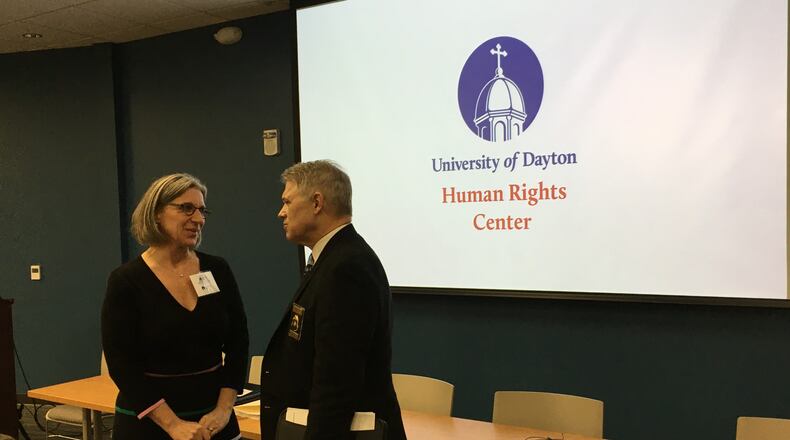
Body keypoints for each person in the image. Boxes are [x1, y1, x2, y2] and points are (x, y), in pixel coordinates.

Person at [260, 160, 407, 440]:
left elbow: (337, 380)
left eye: (287, 202)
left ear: (317, 202)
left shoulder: (346, 267)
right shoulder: (333, 259)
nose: (281, 212)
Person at [102, 173, 249, 440]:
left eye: (202, 211)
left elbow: (239, 343)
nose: (199, 219)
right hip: (149, 423)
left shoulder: (217, 269)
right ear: (156, 213)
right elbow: (121, 364)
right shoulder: (126, 281)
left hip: (214, 419)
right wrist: (172, 425)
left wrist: (224, 409)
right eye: (186, 208)